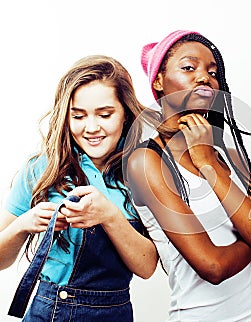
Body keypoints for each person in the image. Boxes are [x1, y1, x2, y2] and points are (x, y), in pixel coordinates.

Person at [126, 30, 251, 321]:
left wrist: (208, 162)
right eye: (189, 68)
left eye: (212, 72)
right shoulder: (145, 161)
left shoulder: (226, 152)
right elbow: (212, 267)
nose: (204, 78)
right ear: (158, 81)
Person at [0, 55, 158, 321]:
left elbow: (147, 267)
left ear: (125, 115)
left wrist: (109, 216)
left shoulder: (144, 174)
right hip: (47, 312)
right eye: (79, 116)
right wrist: (23, 225)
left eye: (105, 114)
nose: (91, 127)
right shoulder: (43, 169)